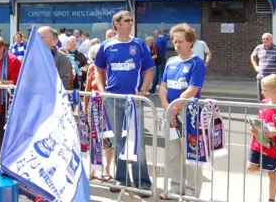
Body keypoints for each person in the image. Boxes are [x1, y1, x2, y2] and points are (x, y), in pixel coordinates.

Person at [94, 10, 154, 192]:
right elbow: (98, 70)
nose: (130, 23)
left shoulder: (139, 44)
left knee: (138, 142)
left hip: (133, 101)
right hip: (113, 100)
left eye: (131, 20)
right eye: (126, 20)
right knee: (118, 141)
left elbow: (149, 70)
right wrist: (103, 92)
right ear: (116, 23)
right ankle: (121, 179)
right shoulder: (106, 46)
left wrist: (143, 91)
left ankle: (142, 181)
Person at [160, 23, 206, 198]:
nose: (176, 44)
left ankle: (192, 192)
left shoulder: (197, 63)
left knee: (191, 155)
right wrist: (168, 108)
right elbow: (163, 87)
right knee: (173, 153)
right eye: (174, 40)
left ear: (190, 42)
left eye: (180, 41)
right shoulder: (171, 62)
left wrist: (174, 109)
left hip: (188, 115)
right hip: (171, 113)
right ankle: (175, 188)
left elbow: (192, 90)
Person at [246, 74, 276, 202]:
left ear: (275, 91)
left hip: (272, 148)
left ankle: (271, 199)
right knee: (251, 167)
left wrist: (275, 133)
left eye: (264, 90)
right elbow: (261, 121)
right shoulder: (263, 103)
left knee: (272, 175)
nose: (262, 92)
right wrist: (254, 129)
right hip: (258, 143)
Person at [83, 43, 114, 182]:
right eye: (95, 57)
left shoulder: (112, 67)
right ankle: (94, 169)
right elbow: (88, 89)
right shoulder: (92, 68)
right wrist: (84, 107)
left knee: (108, 140)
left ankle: (107, 168)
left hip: (108, 108)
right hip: (94, 107)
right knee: (93, 138)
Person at [251, 33, 276, 101]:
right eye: (263, 39)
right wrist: (256, 67)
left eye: (267, 38)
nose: (265, 40)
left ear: (271, 39)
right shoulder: (258, 48)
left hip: (274, 80)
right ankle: (264, 111)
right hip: (262, 77)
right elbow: (252, 57)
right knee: (262, 98)